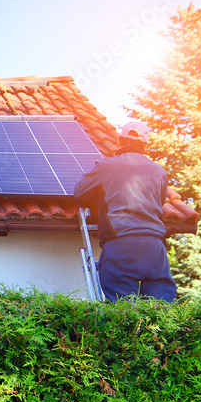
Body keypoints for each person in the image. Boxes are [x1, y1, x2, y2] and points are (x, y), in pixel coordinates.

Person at [73, 121, 177, 302]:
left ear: (120, 141)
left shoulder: (107, 166)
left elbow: (80, 193)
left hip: (121, 244)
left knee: (123, 313)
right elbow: (159, 204)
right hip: (155, 248)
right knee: (159, 311)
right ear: (144, 145)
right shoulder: (159, 171)